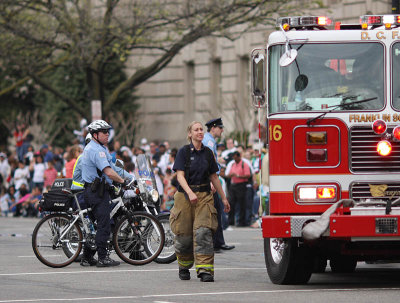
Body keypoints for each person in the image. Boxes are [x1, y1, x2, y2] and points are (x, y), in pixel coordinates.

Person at [170, 121, 230, 283]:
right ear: (189, 134)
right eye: (196, 130)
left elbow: (214, 177)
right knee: (184, 237)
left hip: (204, 196)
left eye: (201, 129)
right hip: (184, 196)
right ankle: (184, 266)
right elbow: (180, 176)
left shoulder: (208, 153)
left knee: (203, 232)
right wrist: (189, 193)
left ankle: (205, 270)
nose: (199, 132)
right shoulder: (183, 152)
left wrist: (224, 198)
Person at [81, 120, 127, 267]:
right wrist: (122, 181)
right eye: (104, 132)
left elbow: (113, 167)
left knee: (95, 226)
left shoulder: (98, 148)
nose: (108, 134)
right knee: (104, 224)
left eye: (108, 131)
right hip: (96, 192)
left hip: (94, 190)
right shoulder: (97, 150)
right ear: (95, 135)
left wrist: (127, 176)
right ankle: (102, 257)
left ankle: (87, 257)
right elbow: (108, 171)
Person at [202, 117, 235, 252]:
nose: (222, 131)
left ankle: (218, 242)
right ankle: (216, 243)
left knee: (216, 211)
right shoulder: (209, 140)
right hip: (210, 181)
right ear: (213, 128)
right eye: (220, 128)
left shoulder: (210, 141)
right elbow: (208, 161)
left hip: (211, 179)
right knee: (215, 211)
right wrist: (211, 181)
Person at [225, 151, 251, 226]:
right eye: (234, 158)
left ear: (239, 157)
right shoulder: (233, 164)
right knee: (231, 202)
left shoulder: (244, 164)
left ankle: (241, 222)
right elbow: (229, 174)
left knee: (241, 204)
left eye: (236, 157)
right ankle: (231, 221)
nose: (234, 159)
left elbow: (248, 175)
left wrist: (238, 175)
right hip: (233, 185)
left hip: (241, 185)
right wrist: (231, 175)